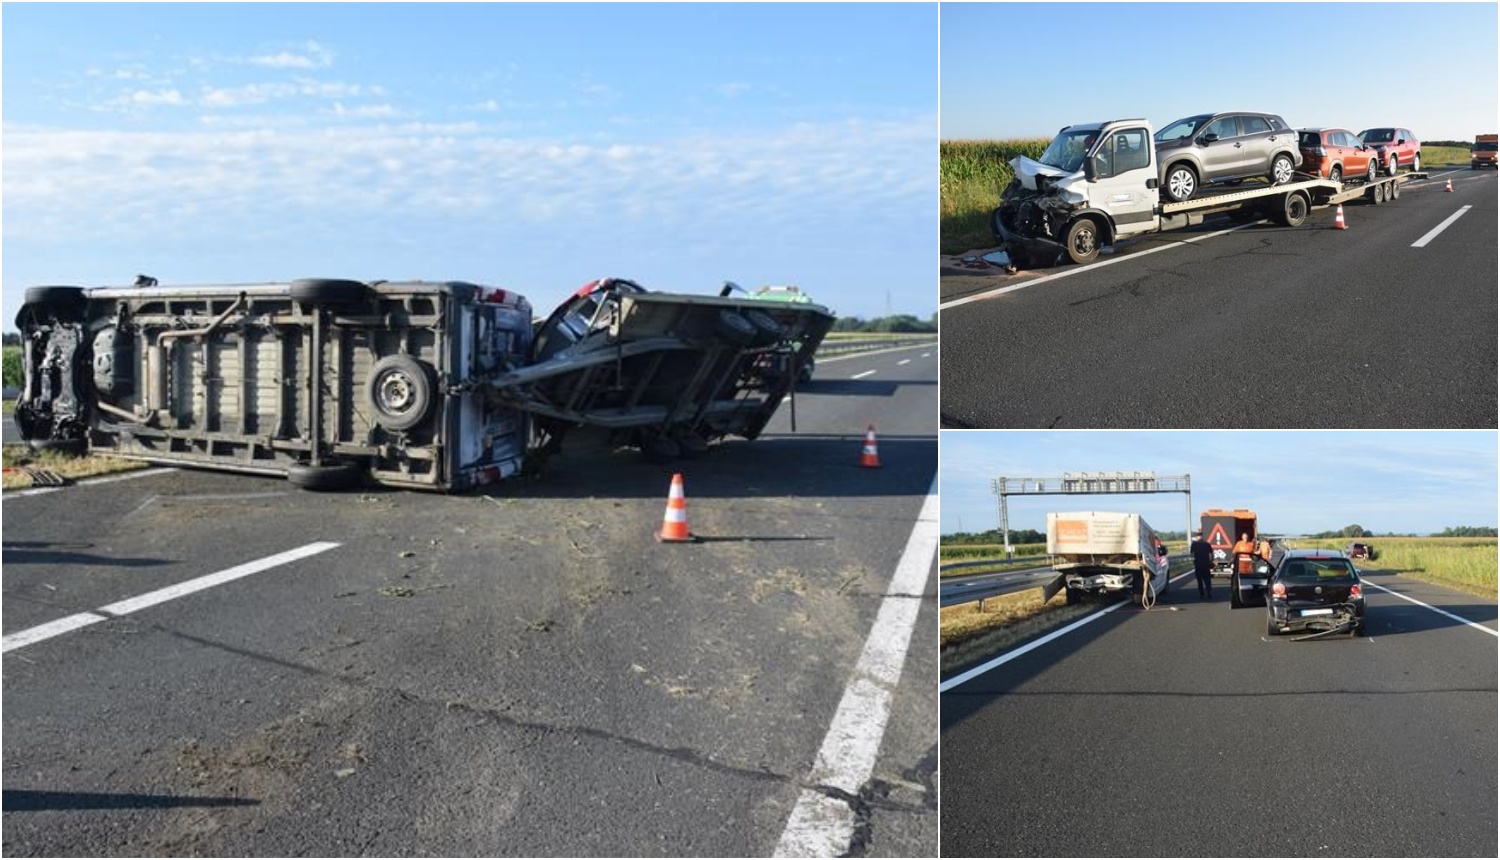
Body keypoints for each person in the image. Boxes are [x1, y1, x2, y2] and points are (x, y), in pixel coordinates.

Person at [1190, 531, 1214, 600]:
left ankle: (1202, 594)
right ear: (1202, 537)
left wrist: (1194, 560)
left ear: (1197, 537)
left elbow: (1191, 554)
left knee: (1199, 580)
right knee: (1207, 580)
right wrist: (1211, 561)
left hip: (1198, 565)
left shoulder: (1194, 544)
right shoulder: (1207, 544)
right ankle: (1209, 592)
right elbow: (1212, 553)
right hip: (1206, 565)